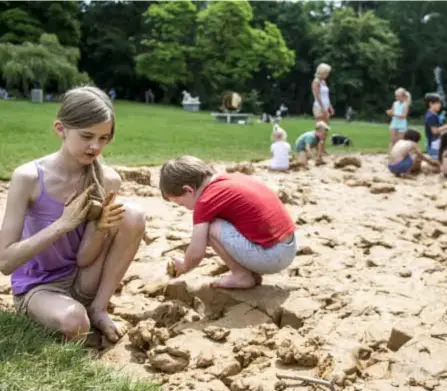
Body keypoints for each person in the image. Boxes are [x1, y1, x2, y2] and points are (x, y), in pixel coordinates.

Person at [0, 86, 146, 342]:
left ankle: (99, 308)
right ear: (61, 129)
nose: (95, 147)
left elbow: (83, 258)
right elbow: (5, 263)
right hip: (40, 287)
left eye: (104, 138)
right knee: (75, 321)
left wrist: (99, 228)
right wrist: (63, 224)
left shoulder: (107, 179)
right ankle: (73, 313)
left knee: (133, 215)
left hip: (82, 278)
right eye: (87, 136)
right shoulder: (29, 178)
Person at [159, 156, 297, 289]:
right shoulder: (229, 178)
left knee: (210, 228)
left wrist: (184, 266)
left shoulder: (206, 201)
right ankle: (249, 270)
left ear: (188, 190)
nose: (186, 208)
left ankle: (241, 275)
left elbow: (196, 252)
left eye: (181, 203)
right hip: (288, 246)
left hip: (273, 256)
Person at [424, 93, 447, 160]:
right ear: (431, 104)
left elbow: (439, 129)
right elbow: (435, 131)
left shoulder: (433, 114)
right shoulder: (431, 115)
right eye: (438, 103)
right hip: (433, 145)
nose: (440, 105)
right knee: (437, 164)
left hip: (434, 143)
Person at [311, 63, 333, 156]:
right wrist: (323, 108)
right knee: (320, 128)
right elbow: (317, 96)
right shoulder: (316, 82)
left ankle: (323, 148)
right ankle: (317, 149)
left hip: (326, 106)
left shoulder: (324, 82)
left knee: (326, 129)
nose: (327, 75)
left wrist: (330, 106)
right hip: (319, 107)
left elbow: (326, 95)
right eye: (326, 73)